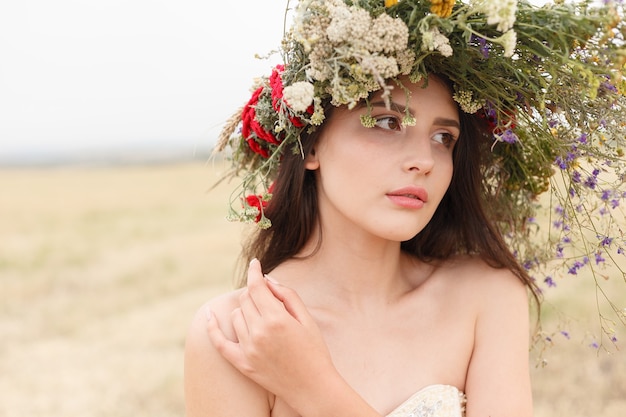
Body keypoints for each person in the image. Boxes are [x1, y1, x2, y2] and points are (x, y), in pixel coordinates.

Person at [184, 1, 625, 416]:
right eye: (387, 122)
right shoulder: (239, 333)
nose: (426, 161)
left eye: (443, 138)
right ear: (311, 143)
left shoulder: (485, 297)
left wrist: (316, 390)